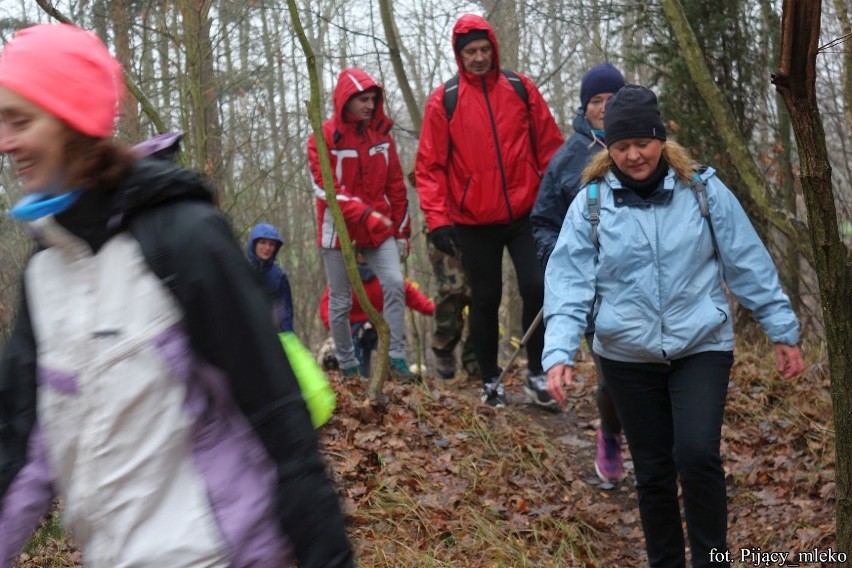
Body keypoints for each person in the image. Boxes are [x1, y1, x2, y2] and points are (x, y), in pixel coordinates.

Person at [0, 23, 352, 568]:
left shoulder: (182, 238)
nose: (6, 141)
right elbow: (19, 448)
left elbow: (280, 424)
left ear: (70, 121)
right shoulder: (44, 271)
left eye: (21, 121)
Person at [543, 85, 804, 568]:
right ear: (609, 148)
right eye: (621, 146)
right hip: (625, 356)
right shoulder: (592, 203)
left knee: (698, 454)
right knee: (654, 472)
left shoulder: (703, 190)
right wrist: (558, 353)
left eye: (642, 142)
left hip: (700, 345)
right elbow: (568, 281)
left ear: (661, 139)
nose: (634, 155)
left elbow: (746, 262)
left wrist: (781, 329)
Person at [415, 13, 564, 408]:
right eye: (470, 52)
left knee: (537, 286)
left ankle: (536, 372)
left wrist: (559, 197)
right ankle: (490, 380)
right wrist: (438, 219)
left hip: (525, 213)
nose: (479, 57)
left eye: (484, 49)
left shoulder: (519, 89)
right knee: (484, 298)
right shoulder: (443, 100)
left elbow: (549, 146)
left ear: (493, 48)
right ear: (459, 56)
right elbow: (429, 166)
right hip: (472, 221)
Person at [530, 63, 626, 482]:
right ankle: (611, 433)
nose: (605, 108)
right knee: (611, 377)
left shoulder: (648, 147)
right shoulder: (568, 159)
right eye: (596, 101)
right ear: (584, 108)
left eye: (612, 99)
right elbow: (543, 222)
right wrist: (565, 259)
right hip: (594, 292)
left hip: (649, 288)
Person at [308, 67, 417, 382]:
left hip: (378, 231)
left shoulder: (381, 136)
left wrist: (402, 232)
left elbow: (396, 185)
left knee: (395, 284)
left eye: (372, 100)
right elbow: (324, 189)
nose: (369, 106)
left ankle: (396, 357)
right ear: (346, 101)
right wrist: (365, 214)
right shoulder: (322, 137)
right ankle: (348, 364)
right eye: (363, 100)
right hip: (337, 232)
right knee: (340, 301)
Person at [319, 256, 435, 376]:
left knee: (392, 352)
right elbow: (327, 307)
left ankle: (396, 375)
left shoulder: (388, 274)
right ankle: (356, 381)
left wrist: (436, 310)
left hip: (379, 326)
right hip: (352, 330)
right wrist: (341, 331)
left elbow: (411, 294)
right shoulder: (343, 276)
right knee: (359, 372)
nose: (362, 256)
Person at [247, 222, 295, 333]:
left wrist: (287, 336)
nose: (267, 248)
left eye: (271, 244)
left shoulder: (279, 276)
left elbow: (284, 313)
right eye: (262, 243)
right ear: (254, 244)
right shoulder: (239, 269)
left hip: (270, 334)